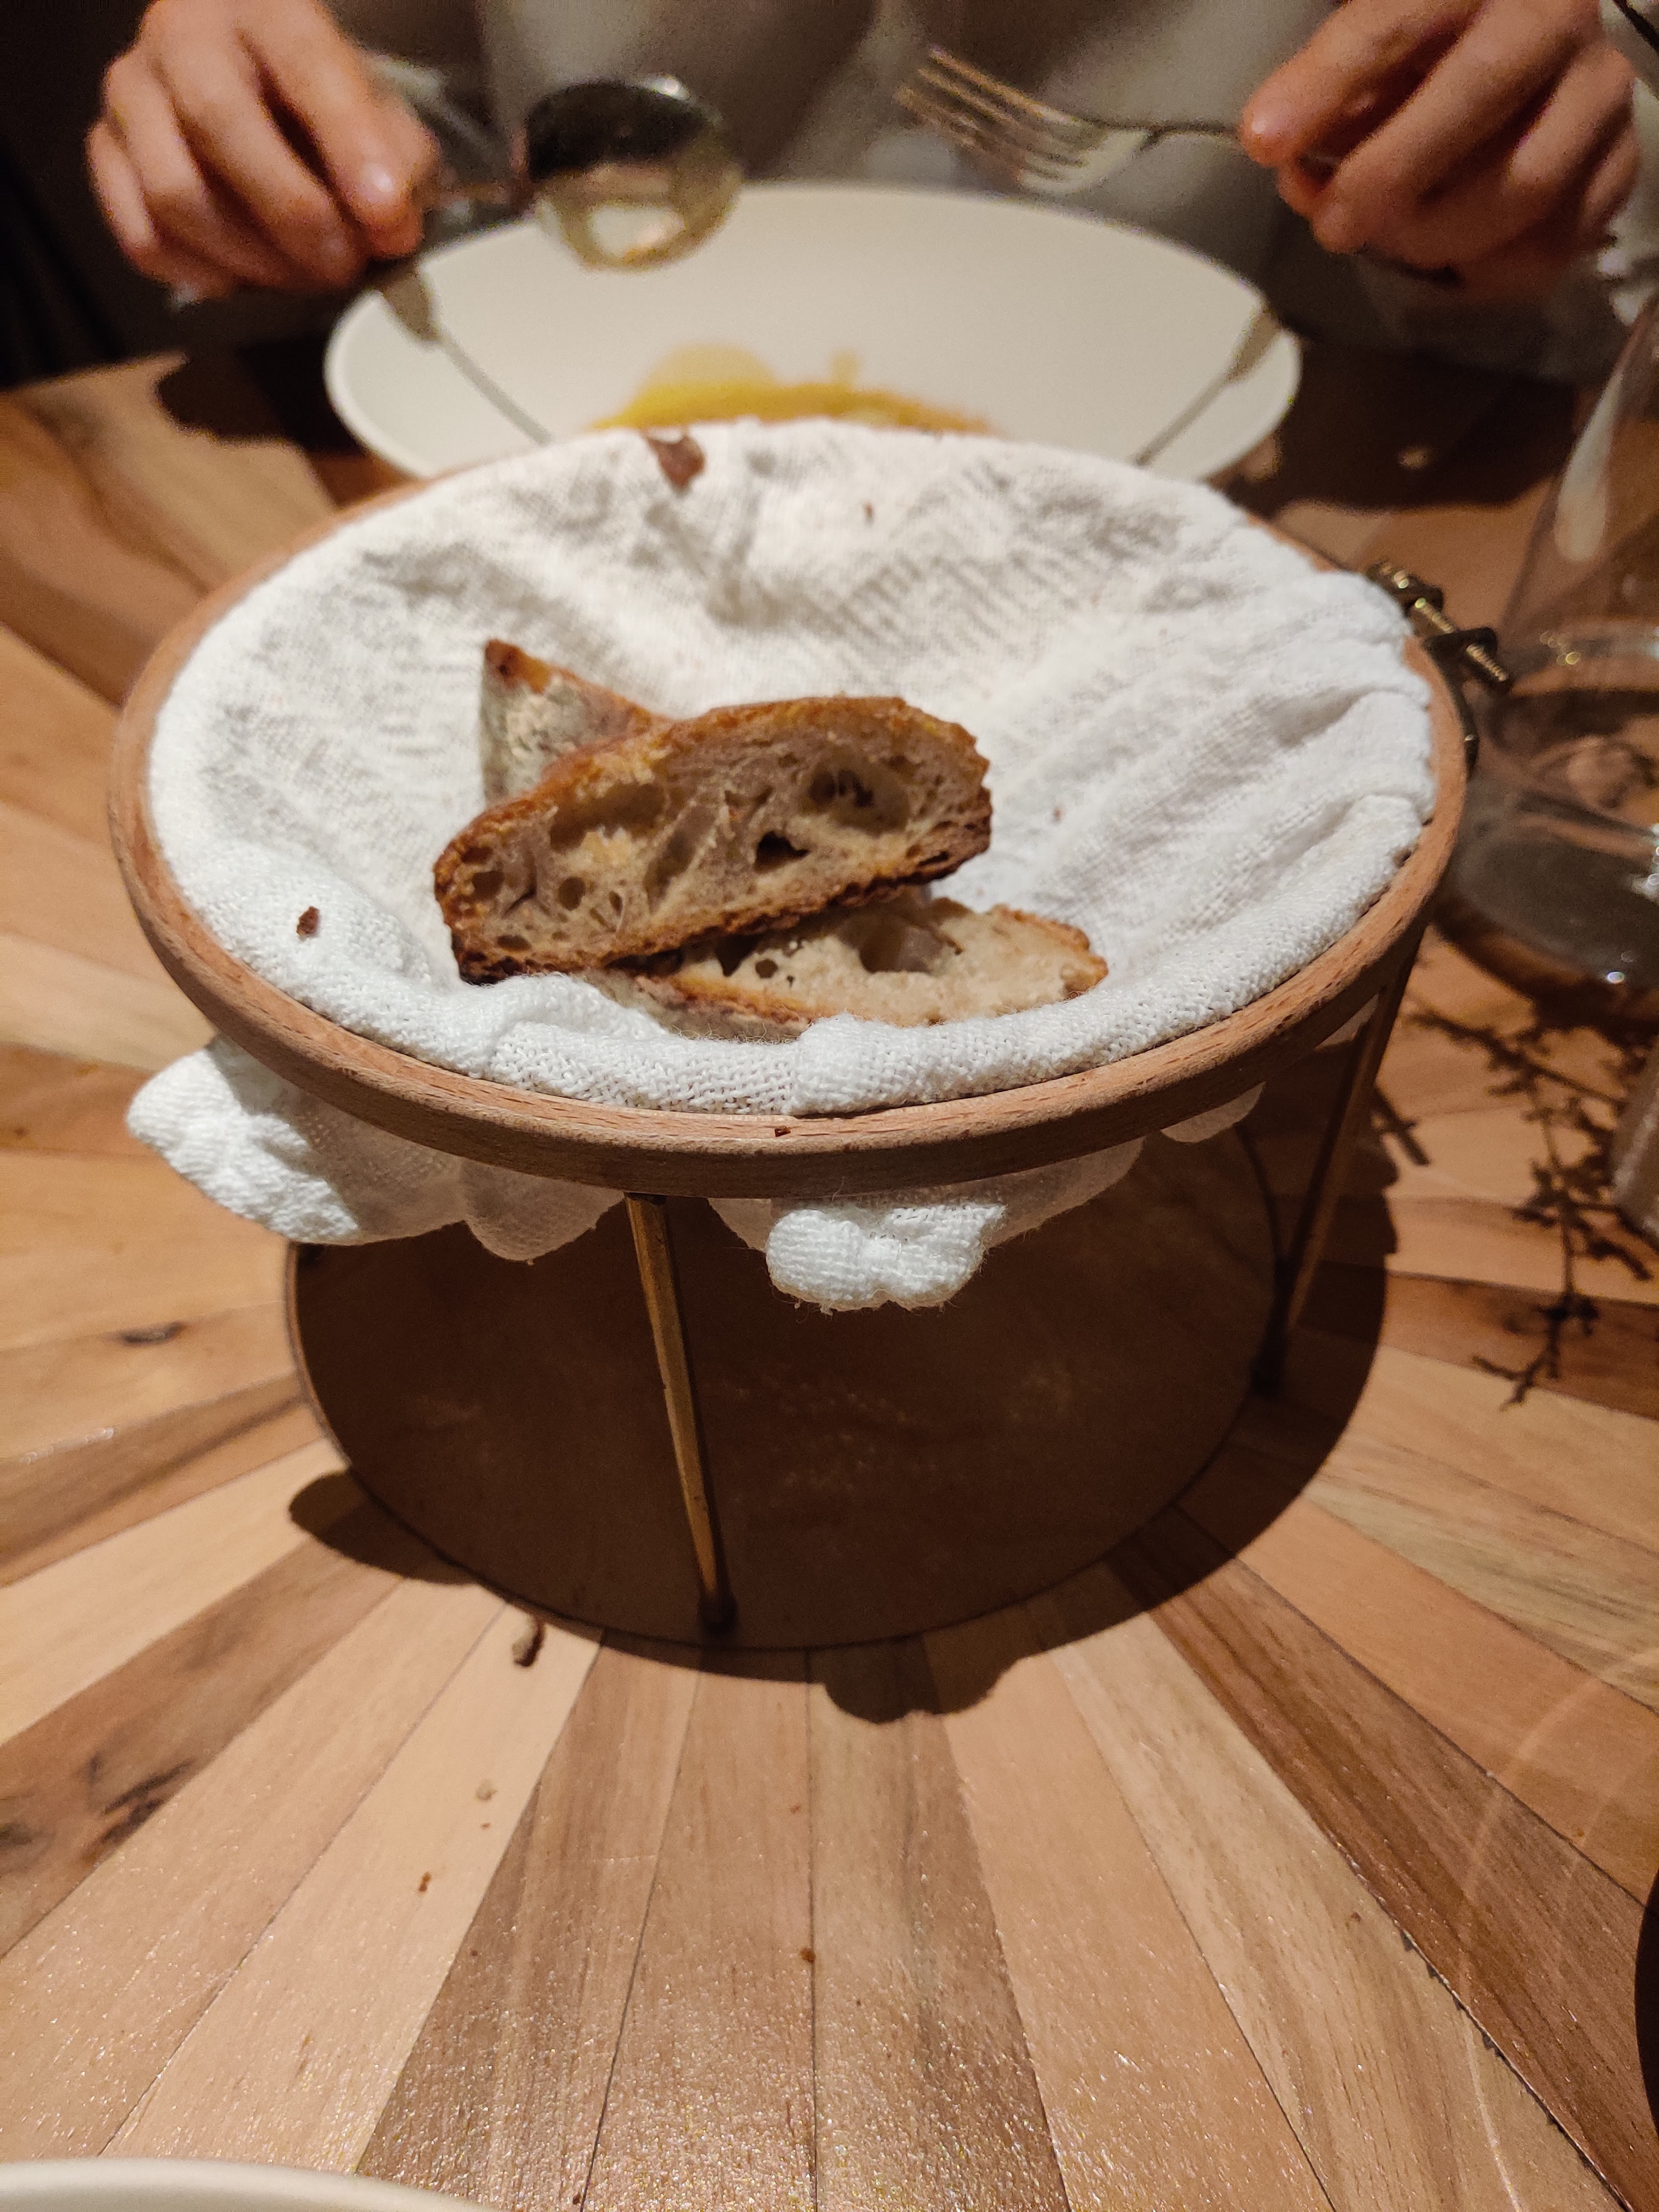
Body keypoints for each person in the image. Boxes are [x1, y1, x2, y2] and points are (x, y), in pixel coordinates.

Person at [85, 0, 1643, 373]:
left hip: (1258, 491)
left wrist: (1514, 189)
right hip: (537, 428)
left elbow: (1583, 211)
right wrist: (257, 138)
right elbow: (382, 73)